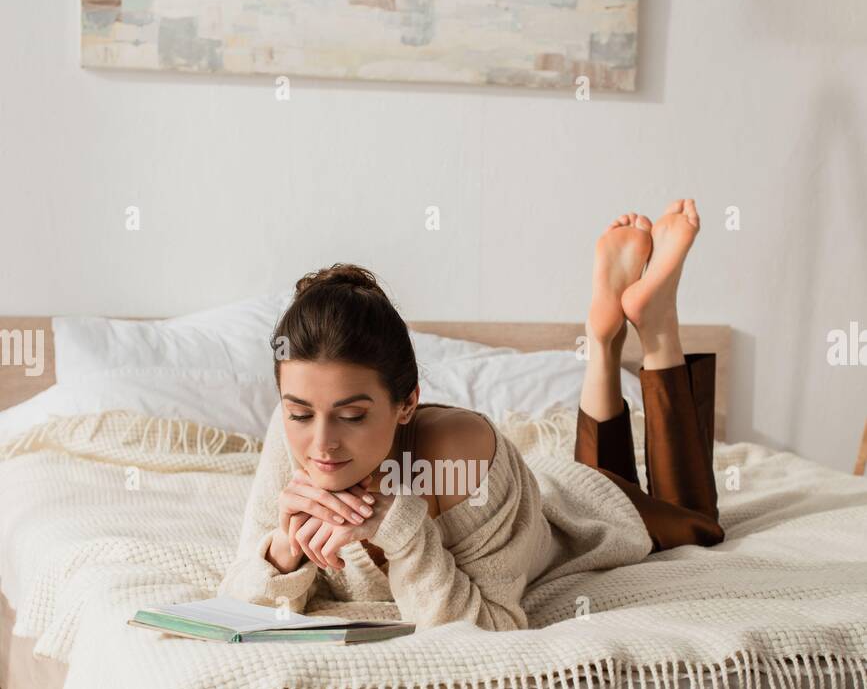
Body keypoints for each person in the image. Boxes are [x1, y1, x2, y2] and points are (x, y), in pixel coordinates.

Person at [219, 199, 723, 630]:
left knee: (699, 520)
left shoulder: (460, 448)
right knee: (605, 465)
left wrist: (399, 526)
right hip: (546, 484)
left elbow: (491, 627)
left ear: (407, 403)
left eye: (352, 416)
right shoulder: (294, 436)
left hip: (588, 513)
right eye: (301, 414)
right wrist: (282, 550)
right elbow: (236, 603)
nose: (321, 445)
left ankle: (656, 329)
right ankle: (603, 340)